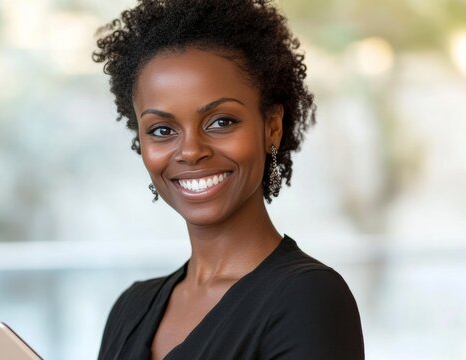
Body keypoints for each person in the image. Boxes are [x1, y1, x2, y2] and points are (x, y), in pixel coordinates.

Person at [92, 0, 364, 359]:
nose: (190, 151)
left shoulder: (309, 297)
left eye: (221, 121)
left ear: (272, 127)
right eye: (162, 129)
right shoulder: (130, 309)